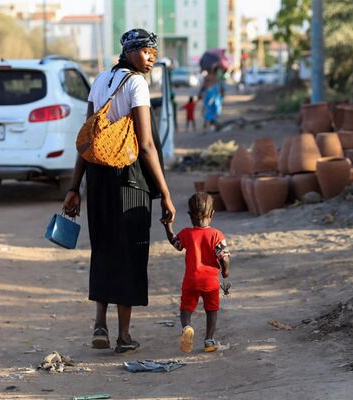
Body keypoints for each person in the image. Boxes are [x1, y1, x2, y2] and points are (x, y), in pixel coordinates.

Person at [62, 28, 176, 354]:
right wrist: (165, 194)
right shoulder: (137, 84)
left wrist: (75, 187)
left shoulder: (99, 82)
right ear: (127, 52)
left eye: (153, 51)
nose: (150, 56)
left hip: (97, 178)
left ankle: (100, 324)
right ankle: (124, 336)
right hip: (129, 180)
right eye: (143, 50)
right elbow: (147, 146)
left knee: (104, 247)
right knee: (129, 251)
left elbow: (88, 140)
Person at [163, 192, 230, 353]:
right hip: (210, 282)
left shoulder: (186, 233)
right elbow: (224, 258)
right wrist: (225, 272)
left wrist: (168, 225)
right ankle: (209, 340)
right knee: (211, 310)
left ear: (189, 215)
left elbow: (176, 243)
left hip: (191, 280)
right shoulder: (216, 235)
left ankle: (187, 327)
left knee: (186, 308)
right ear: (212, 214)